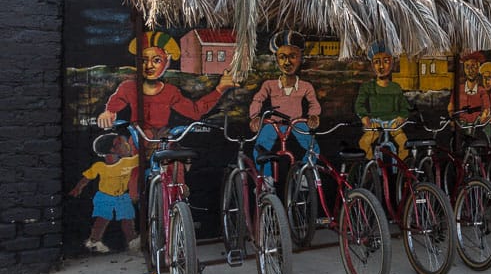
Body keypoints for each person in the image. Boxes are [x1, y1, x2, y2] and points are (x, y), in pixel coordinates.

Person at [97, 31, 235, 134]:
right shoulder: (128, 88)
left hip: (161, 140)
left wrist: (220, 88)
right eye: (144, 60)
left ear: (167, 62)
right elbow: (114, 105)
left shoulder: (170, 92)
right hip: (137, 142)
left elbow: (195, 111)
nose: (149, 66)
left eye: (157, 60)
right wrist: (108, 113)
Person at [249, 31, 322, 175]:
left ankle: (304, 178)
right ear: (276, 60)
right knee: (260, 148)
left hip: (297, 123)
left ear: (300, 58)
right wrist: (255, 117)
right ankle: (266, 180)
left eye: (292, 57)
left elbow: (313, 103)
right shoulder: (269, 85)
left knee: (314, 148)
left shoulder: (305, 86)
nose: (287, 62)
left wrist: (313, 116)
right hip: (274, 124)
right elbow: (258, 99)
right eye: (282, 57)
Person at [70, 135, 139, 254]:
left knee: (127, 218)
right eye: (122, 143)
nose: (127, 145)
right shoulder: (99, 166)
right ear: (113, 150)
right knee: (102, 219)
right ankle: (94, 241)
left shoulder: (128, 162)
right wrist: (78, 188)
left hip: (122, 196)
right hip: (104, 196)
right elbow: (86, 178)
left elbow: (143, 157)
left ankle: (132, 240)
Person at [355, 43, 410, 160]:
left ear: (392, 63)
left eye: (386, 61)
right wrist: (364, 117)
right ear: (372, 66)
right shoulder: (367, 87)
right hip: (376, 123)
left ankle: (401, 171)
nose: (381, 67)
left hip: (393, 124)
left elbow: (405, 106)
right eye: (377, 62)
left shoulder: (396, 87)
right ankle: (372, 167)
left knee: (405, 145)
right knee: (364, 143)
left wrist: (402, 117)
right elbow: (359, 105)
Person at [448, 51, 489, 132]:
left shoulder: (482, 90)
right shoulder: (458, 89)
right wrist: (452, 118)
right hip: (461, 125)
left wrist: (483, 116)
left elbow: (486, 108)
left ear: (478, 67)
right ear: (464, 68)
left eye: (473, 66)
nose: (470, 70)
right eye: (467, 66)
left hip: (477, 126)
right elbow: (451, 106)